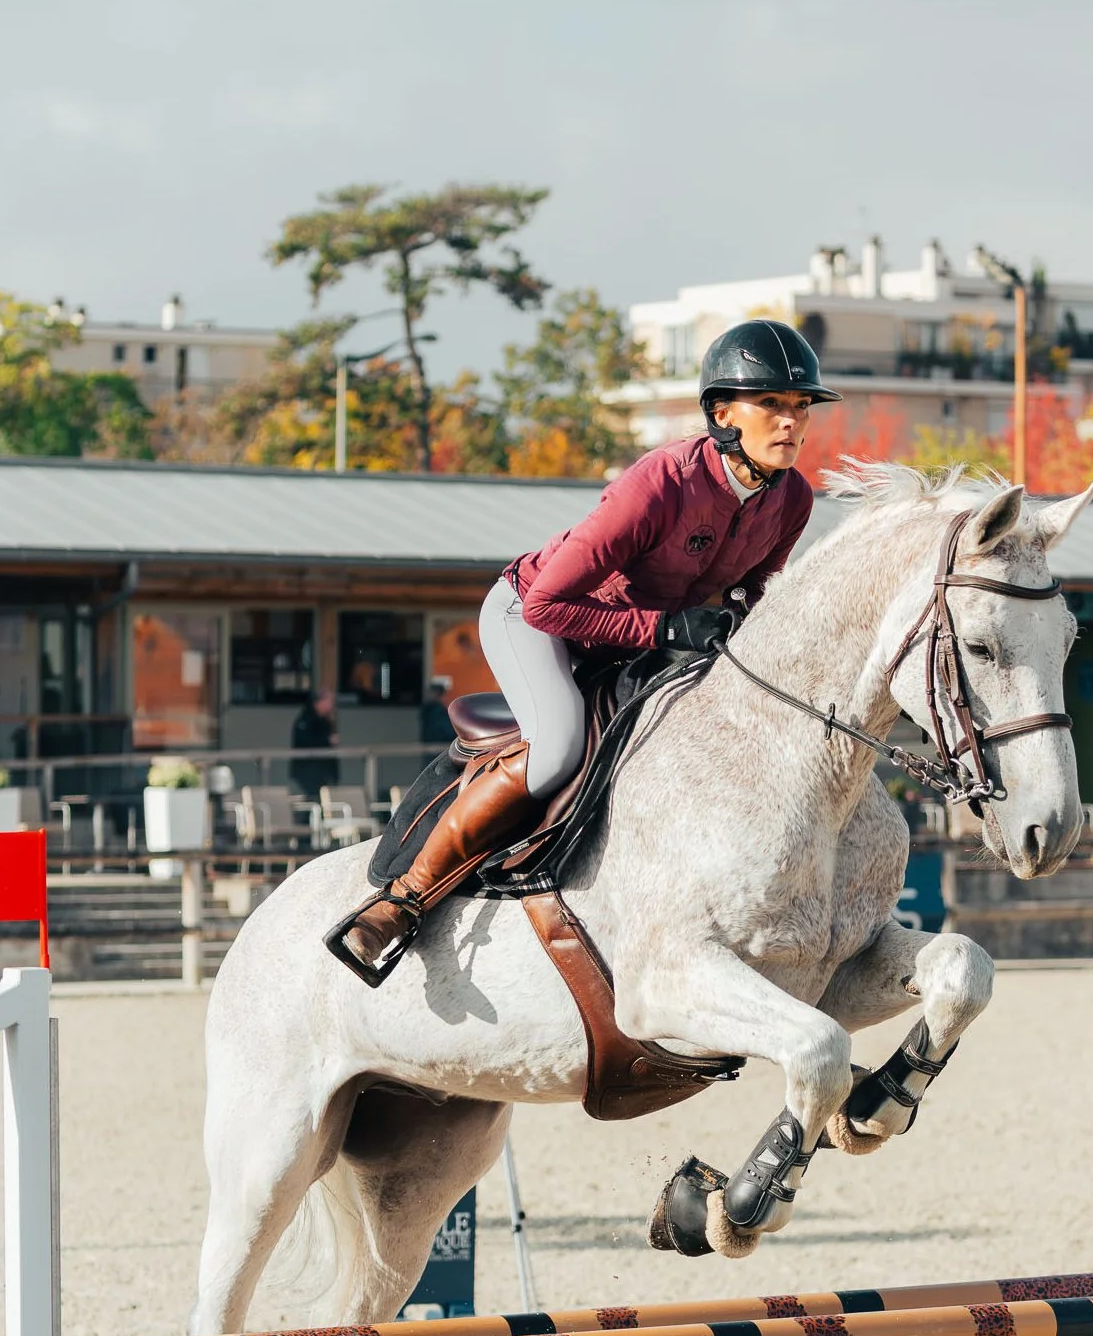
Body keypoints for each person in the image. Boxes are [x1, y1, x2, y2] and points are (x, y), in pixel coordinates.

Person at [330, 318, 837, 983]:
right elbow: (547, 603)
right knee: (560, 748)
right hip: (536, 616)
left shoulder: (793, 497)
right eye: (771, 405)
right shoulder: (659, 484)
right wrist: (664, 630)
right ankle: (402, 900)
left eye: (801, 408)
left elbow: (755, 591)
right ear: (722, 413)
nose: (791, 423)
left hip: (638, 636)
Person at [290, 688, 340, 802]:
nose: (332, 706)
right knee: (312, 802)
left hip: (323, 771)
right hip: (309, 771)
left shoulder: (325, 721)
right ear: (320, 702)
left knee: (323, 802)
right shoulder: (306, 718)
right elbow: (304, 741)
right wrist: (327, 740)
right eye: (330, 702)